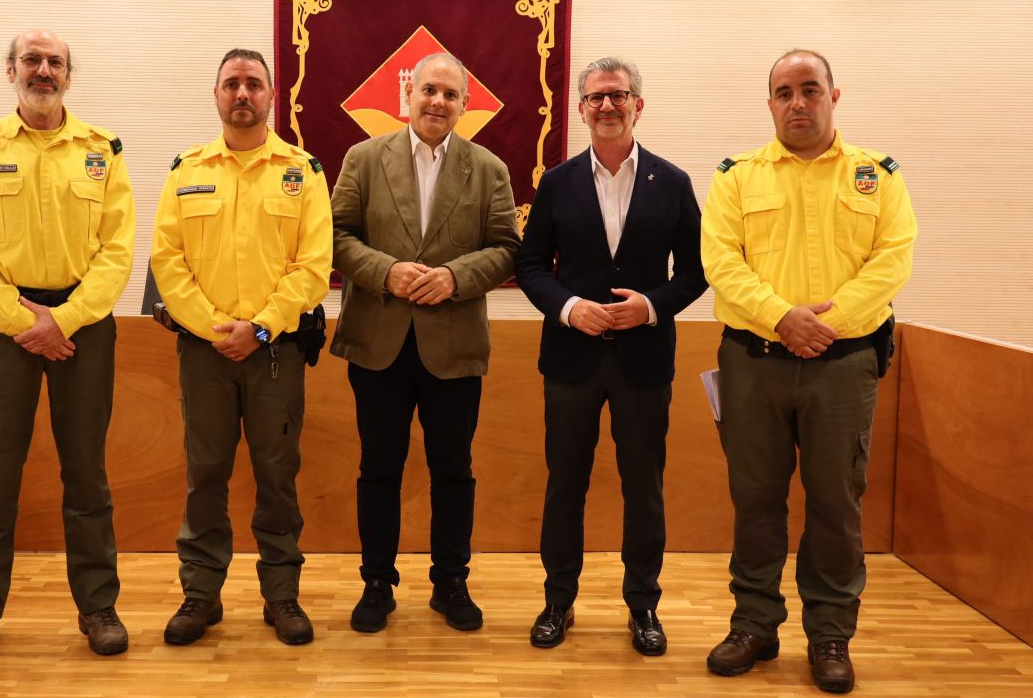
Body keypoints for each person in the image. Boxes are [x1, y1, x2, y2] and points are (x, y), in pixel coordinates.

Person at [700, 49, 916, 693]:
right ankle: (755, 625)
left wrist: (827, 320)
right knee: (755, 501)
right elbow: (722, 262)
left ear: (833, 95)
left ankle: (830, 635)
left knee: (835, 505)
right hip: (754, 363)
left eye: (810, 89)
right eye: (785, 92)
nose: (798, 102)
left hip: (844, 366)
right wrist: (781, 318)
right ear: (769, 103)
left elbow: (892, 260)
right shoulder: (736, 177)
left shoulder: (876, 175)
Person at [0, 29, 135, 668]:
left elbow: (116, 250)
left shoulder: (101, 150)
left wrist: (66, 320)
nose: (44, 70)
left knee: (87, 474)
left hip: (83, 327)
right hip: (4, 327)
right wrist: (21, 321)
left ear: (69, 76)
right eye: (33, 60)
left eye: (55, 62)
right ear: (10, 71)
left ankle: (98, 608)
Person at [515, 57, 706, 652]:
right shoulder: (557, 182)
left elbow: (697, 273)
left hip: (644, 360)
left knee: (643, 487)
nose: (606, 106)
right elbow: (528, 266)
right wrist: (570, 307)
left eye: (618, 96)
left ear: (638, 105)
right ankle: (557, 602)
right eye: (595, 98)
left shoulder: (673, 183)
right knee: (564, 484)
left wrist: (648, 306)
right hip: (571, 359)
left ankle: (644, 607)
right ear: (580, 108)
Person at [329, 52, 520, 634]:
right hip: (378, 341)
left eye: (451, 95)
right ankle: (376, 585)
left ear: (465, 105)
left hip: (453, 345)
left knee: (454, 472)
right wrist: (385, 270)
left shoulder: (489, 168)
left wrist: (457, 277)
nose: (438, 102)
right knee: (378, 470)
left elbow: (509, 246)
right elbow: (334, 236)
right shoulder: (363, 158)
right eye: (429, 91)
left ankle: (450, 582)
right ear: (407, 96)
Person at [151, 48, 332, 647]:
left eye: (254, 83)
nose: (243, 93)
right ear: (216, 94)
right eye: (232, 83)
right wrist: (213, 328)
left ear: (272, 95)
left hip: (274, 351)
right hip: (205, 354)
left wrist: (259, 328)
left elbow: (313, 268)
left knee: (277, 475)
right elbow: (167, 262)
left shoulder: (302, 170)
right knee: (206, 474)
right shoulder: (187, 169)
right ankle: (200, 594)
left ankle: (281, 596)